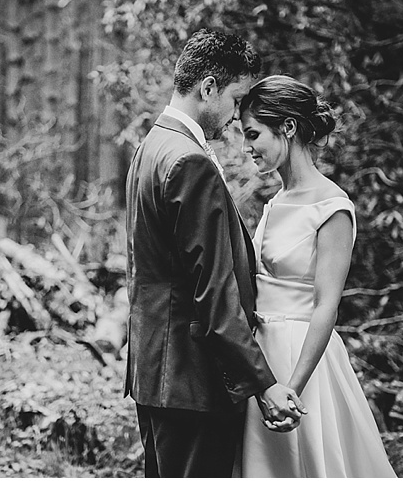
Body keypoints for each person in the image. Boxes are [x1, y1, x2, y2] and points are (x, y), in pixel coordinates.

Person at [125, 29, 303, 478]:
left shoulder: (152, 146)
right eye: (236, 97)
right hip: (191, 380)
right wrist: (263, 386)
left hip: (156, 374)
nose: (237, 114)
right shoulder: (189, 161)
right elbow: (215, 292)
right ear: (208, 87)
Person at [239, 76, 396, 478]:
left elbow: (327, 304)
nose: (247, 146)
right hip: (263, 360)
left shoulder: (332, 207)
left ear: (287, 128)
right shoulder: (274, 202)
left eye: (253, 134)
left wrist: (292, 386)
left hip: (301, 359)